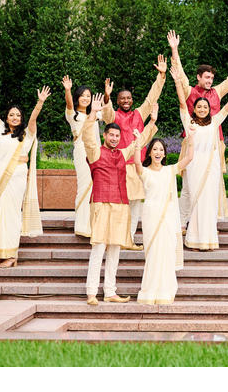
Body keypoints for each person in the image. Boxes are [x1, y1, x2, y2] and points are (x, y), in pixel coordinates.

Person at [169, 30, 228, 231]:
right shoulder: (190, 91)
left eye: (212, 78)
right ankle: (182, 222)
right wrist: (175, 50)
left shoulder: (217, 92)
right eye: (207, 77)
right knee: (188, 187)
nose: (210, 81)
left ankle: (207, 220)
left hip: (214, 143)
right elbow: (181, 76)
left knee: (213, 184)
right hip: (192, 143)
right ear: (199, 77)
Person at [82, 93, 158, 305]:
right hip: (100, 202)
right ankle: (91, 292)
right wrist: (93, 114)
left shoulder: (122, 154)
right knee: (98, 248)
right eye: (111, 135)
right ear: (105, 136)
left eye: (117, 136)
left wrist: (151, 122)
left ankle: (110, 292)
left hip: (121, 204)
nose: (115, 138)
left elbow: (138, 143)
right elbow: (88, 137)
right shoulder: (95, 153)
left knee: (115, 249)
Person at [0, 70, 49, 267]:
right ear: (7, 118)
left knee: (11, 214)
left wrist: (39, 102)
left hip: (15, 179)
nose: (15, 117)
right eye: (11, 114)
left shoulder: (27, 134)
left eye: (18, 115)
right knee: (0, 214)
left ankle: (12, 254)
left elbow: (33, 119)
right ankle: (3, 252)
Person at [178, 69, 228, 251]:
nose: (203, 109)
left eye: (205, 107)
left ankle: (209, 240)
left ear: (209, 109)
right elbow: (182, 103)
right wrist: (176, 81)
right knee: (196, 202)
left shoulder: (215, 122)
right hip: (194, 167)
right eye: (199, 107)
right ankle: (194, 240)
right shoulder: (189, 123)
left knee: (209, 202)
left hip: (211, 169)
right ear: (195, 109)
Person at [100, 55, 167, 249]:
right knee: (121, 205)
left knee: (136, 205)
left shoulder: (139, 113)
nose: (126, 100)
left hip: (138, 167)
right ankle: (118, 238)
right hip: (120, 166)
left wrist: (161, 76)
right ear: (118, 101)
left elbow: (152, 97)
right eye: (122, 98)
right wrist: (107, 97)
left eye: (128, 98)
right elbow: (106, 114)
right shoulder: (115, 116)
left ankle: (128, 239)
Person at [133, 135, 196, 305]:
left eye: (161, 149)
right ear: (150, 153)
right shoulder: (145, 172)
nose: (158, 152)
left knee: (166, 253)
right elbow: (137, 164)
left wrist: (191, 139)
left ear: (165, 153)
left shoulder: (170, 170)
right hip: (151, 217)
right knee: (153, 254)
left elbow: (189, 158)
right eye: (155, 149)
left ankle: (165, 291)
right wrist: (138, 144)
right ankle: (149, 291)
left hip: (168, 218)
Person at [62, 75, 98, 238]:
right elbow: (69, 104)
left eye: (88, 96)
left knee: (95, 188)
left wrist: (106, 96)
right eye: (83, 95)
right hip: (82, 152)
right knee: (85, 186)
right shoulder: (73, 115)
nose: (86, 98)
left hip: (96, 153)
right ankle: (82, 226)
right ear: (78, 98)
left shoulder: (94, 115)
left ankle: (93, 224)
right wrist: (68, 90)